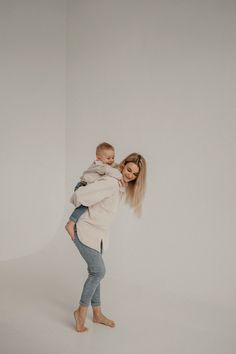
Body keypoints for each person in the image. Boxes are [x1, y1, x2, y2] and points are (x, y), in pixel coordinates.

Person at [70, 153, 146, 332]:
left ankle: (97, 313)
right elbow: (81, 195)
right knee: (98, 271)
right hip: (85, 230)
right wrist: (72, 218)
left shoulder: (119, 186)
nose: (130, 175)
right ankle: (81, 312)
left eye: (134, 174)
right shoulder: (111, 183)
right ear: (123, 165)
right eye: (128, 170)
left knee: (95, 273)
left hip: (99, 235)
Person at [65, 142, 122, 240]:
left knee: (89, 202)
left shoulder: (106, 165)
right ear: (98, 158)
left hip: (87, 186)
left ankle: (73, 222)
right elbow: (111, 171)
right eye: (108, 158)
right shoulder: (100, 166)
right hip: (82, 185)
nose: (111, 160)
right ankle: (71, 222)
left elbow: (114, 166)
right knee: (85, 204)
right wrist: (121, 176)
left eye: (113, 157)